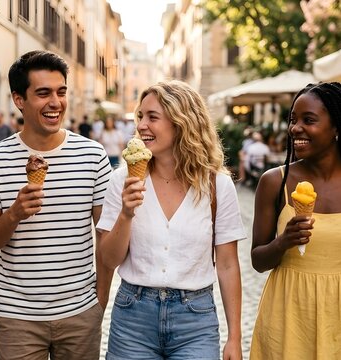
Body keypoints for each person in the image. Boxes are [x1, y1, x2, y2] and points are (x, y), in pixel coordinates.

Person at [0, 50, 113, 360]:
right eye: (43, 93)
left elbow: (105, 235)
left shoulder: (93, 155)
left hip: (80, 314)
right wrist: (14, 214)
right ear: (19, 100)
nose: (55, 102)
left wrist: (100, 300)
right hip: (18, 317)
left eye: (61, 92)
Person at [249, 82, 341, 359]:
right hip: (288, 321)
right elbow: (258, 261)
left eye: (309, 120)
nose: (295, 128)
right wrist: (283, 242)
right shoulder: (274, 182)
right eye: (293, 120)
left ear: (337, 127)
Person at [97, 80, 245, 359]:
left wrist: (234, 338)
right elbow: (108, 259)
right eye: (140, 116)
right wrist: (126, 215)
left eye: (153, 117)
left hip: (196, 321)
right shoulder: (122, 179)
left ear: (182, 122)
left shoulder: (217, 185)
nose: (141, 125)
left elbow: (227, 264)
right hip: (133, 319)